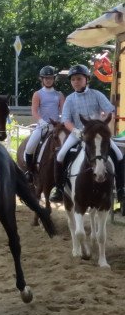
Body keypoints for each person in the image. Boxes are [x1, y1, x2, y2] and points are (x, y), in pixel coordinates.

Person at [49, 64, 125, 207]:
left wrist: (103, 126)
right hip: (77, 133)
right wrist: (76, 131)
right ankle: (58, 188)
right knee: (60, 155)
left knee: (119, 155)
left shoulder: (96, 94)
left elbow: (110, 111)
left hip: (97, 135)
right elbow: (66, 120)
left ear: (86, 79)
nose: (76, 82)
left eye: (79, 79)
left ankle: (121, 189)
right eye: (73, 80)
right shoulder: (70, 99)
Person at [23, 66, 65, 182]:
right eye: (46, 78)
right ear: (42, 79)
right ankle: (29, 171)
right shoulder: (38, 94)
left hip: (56, 127)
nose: (48, 80)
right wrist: (41, 121)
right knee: (30, 146)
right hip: (42, 126)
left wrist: (61, 122)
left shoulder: (59, 95)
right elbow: (34, 111)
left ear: (54, 79)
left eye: (50, 78)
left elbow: (64, 111)